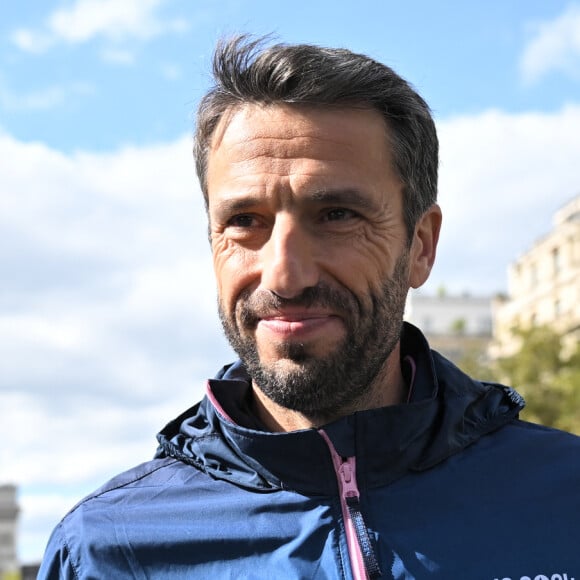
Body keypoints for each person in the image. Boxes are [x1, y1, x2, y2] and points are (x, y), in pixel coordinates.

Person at [39, 36, 580, 580]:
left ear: (421, 245)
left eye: (338, 215)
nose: (285, 275)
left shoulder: (564, 499)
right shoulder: (104, 551)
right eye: (245, 221)